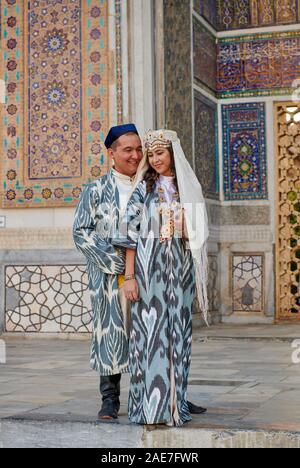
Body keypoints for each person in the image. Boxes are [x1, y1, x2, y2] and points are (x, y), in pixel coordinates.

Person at [113, 130, 209, 426]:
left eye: (159, 153)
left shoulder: (188, 189)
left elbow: (200, 235)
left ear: (172, 154)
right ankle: (150, 408)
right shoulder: (143, 189)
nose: (154, 159)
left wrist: (185, 227)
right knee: (149, 337)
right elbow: (128, 236)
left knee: (177, 336)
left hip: (180, 274)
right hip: (147, 272)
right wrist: (129, 277)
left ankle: (174, 406)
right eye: (150, 154)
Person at [73, 124, 143, 420]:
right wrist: (112, 261)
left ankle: (166, 394)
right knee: (111, 332)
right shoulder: (96, 189)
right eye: (128, 150)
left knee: (151, 333)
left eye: (139, 149)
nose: (135, 155)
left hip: (148, 272)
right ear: (111, 153)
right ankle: (110, 399)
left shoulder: (150, 185)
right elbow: (81, 231)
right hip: (109, 275)